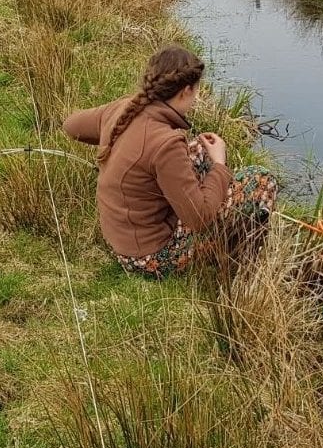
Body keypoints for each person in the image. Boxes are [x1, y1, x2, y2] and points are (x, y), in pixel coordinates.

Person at [62, 45, 277, 279]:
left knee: (197, 150)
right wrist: (220, 166)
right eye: (196, 93)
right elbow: (199, 219)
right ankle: (243, 268)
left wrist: (116, 144)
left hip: (122, 239)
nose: (195, 99)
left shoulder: (125, 109)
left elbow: (71, 126)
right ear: (185, 91)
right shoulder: (166, 144)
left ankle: (225, 237)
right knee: (261, 180)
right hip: (150, 259)